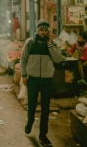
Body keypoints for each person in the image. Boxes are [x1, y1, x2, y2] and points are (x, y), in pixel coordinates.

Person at [20, 19, 62, 147]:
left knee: (45, 109)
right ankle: (30, 122)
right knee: (31, 105)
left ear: (48, 31)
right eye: (41, 30)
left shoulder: (52, 44)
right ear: (37, 30)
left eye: (45, 30)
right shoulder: (30, 42)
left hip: (46, 81)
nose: (43, 32)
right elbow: (23, 59)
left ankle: (43, 136)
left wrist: (49, 44)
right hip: (32, 79)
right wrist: (23, 75)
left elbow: (58, 59)